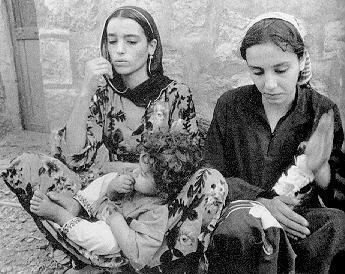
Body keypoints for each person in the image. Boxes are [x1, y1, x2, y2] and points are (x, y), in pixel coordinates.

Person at [0, 5, 228, 272]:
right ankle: (94, 250)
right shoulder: (104, 95)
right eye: (112, 41)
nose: (119, 49)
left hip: (156, 202)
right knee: (25, 167)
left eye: (131, 41)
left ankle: (154, 260)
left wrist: (122, 171)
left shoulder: (175, 94)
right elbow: (75, 158)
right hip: (108, 193)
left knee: (212, 182)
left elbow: (185, 165)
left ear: (151, 46)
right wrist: (86, 90)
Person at [205, 12, 345, 274]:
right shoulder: (230, 105)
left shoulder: (321, 110)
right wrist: (261, 201)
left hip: (296, 221)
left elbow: (333, 193)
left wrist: (325, 169)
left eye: (281, 70)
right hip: (243, 216)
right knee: (239, 230)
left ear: (301, 61)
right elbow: (211, 173)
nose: (269, 84)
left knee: (338, 224)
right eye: (257, 72)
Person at [29, 132, 204, 271]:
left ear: (163, 189)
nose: (136, 173)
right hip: (105, 210)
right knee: (111, 178)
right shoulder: (139, 185)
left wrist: (116, 221)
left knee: (105, 239)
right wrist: (114, 187)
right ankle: (77, 205)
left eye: (143, 174)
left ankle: (61, 217)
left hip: (118, 238)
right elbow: (112, 197)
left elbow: (137, 254)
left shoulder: (156, 214)